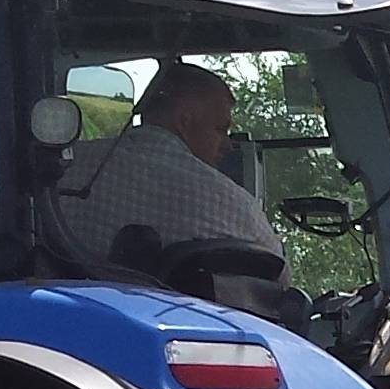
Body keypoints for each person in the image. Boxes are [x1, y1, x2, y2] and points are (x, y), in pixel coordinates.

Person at [53, 64, 284, 285]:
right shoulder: (231, 204)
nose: (228, 145)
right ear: (184, 121)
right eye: (220, 130)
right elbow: (280, 278)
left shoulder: (63, 170)